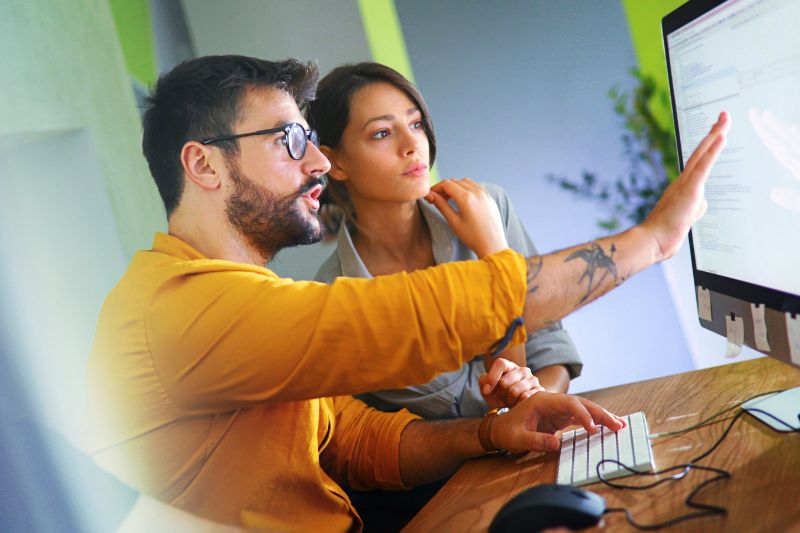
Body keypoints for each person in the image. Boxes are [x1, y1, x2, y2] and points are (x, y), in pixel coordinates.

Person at [85, 54, 729, 532]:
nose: (315, 163)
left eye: (309, 140)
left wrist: (494, 434)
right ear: (202, 165)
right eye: (288, 140)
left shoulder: (246, 297)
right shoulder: (178, 309)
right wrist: (653, 239)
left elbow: (360, 440)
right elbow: (413, 318)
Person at [311, 62, 580, 420]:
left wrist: (539, 402)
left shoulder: (488, 206)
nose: (412, 145)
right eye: (381, 133)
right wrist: (494, 255)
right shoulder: (338, 300)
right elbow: (485, 402)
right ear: (335, 162)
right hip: (460, 473)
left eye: (416, 123)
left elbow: (549, 350)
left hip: (542, 438)